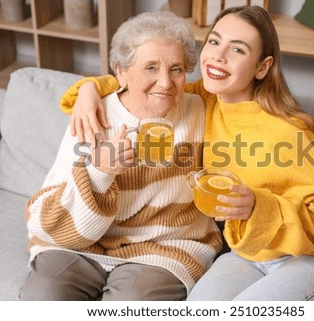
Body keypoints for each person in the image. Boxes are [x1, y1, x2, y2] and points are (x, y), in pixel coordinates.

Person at [59, 6, 314, 300]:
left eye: (238, 50)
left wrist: (258, 207)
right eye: (214, 41)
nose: (218, 55)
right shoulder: (205, 99)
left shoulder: (289, 131)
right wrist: (89, 89)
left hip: (312, 257)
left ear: (262, 67)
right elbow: (147, 79)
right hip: (245, 252)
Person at [19, 11, 223, 301]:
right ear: (121, 72)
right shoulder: (93, 114)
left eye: (176, 69)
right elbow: (50, 222)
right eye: (151, 67)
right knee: (44, 296)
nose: (165, 82)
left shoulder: (201, 110)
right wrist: (99, 171)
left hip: (164, 246)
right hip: (81, 245)